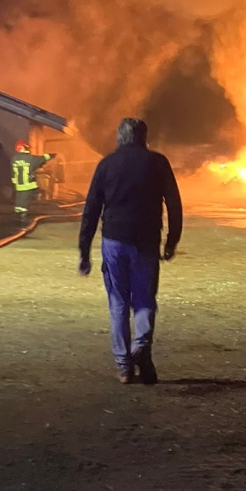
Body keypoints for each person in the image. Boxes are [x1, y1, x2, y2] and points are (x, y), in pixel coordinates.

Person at [79, 117, 183, 385]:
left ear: (119, 137)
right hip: (147, 241)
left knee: (118, 302)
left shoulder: (107, 164)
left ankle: (124, 367)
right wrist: (172, 240)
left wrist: (84, 250)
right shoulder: (157, 163)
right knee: (145, 299)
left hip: (114, 241)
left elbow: (91, 209)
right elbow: (174, 203)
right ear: (144, 138)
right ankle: (142, 346)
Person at [11, 140, 55, 217]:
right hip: (28, 184)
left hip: (18, 185)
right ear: (24, 148)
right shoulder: (30, 158)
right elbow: (42, 158)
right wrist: (51, 155)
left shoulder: (14, 159)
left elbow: (13, 171)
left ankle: (18, 214)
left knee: (19, 200)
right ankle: (23, 217)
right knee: (25, 200)